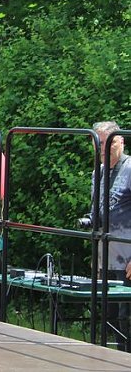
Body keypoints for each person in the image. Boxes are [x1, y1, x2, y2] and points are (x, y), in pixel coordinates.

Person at [91, 121, 131, 350]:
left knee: (126, 319)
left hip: (127, 258)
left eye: (109, 142)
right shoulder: (99, 173)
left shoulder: (130, 168)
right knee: (109, 318)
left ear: (122, 141)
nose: (104, 149)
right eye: (100, 143)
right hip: (105, 256)